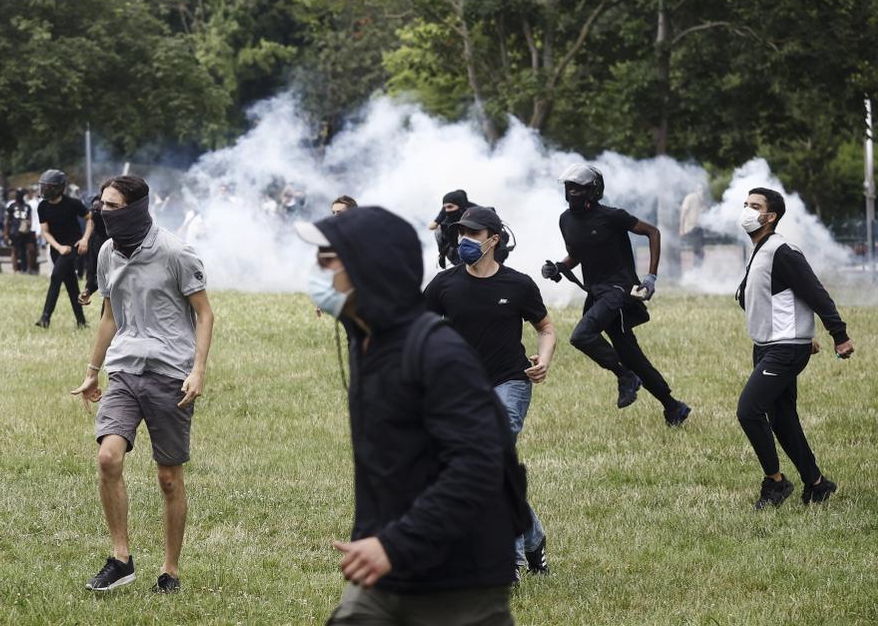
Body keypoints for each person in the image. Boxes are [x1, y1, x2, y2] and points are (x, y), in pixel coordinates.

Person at [296, 206, 518, 626]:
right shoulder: (367, 341)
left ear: (368, 269)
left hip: (457, 575)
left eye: (327, 261)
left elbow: (478, 467)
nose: (316, 272)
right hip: (388, 565)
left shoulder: (437, 353)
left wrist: (394, 544)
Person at [72, 175, 214, 595]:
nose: (103, 212)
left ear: (136, 208)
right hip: (125, 372)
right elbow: (110, 316)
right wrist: (92, 369)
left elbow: (205, 315)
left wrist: (198, 370)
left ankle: (169, 571)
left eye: (112, 206)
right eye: (102, 205)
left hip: (171, 373)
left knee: (169, 477)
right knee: (108, 458)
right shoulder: (106, 253)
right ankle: (121, 559)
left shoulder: (176, 252)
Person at [424, 205, 553, 578]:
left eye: (474, 234)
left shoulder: (518, 284)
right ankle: (533, 539)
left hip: (510, 382)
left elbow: (545, 328)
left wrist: (543, 359)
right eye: (462, 233)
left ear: (494, 240)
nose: (464, 240)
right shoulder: (444, 284)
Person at [542, 163, 691, 426]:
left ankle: (624, 377)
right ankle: (673, 407)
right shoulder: (565, 220)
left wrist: (651, 277)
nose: (572, 191)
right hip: (598, 294)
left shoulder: (612, 216)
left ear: (592, 191)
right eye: (569, 187)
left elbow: (652, 232)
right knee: (632, 356)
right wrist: (559, 267)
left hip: (619, 290)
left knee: (581, 336)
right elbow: (576, 254)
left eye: (578, 188)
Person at [735, 188, 855, 509]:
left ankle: (776, 483)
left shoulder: (782, 251)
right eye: (745, 204)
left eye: (754, 206)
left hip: (784, 349)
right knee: (782, 417)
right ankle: (818, 484)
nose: (746, 210)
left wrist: (838, 334)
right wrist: (805, 332)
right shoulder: (760, 250)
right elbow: (760, 297)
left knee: (748, 411)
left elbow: (815, 292)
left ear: (770, 216)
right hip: (769, 346)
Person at [34, 169, 92, 329]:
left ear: (59, 188)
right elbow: (45, 232)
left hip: (73, 248)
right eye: (43, 187)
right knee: (71, 284)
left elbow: (90, 219)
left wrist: (85, 240)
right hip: (57, 249)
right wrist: (58, 247)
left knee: (55, 277)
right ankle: (81, 321)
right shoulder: (42, 207)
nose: (45, 190)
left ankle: (45, 318)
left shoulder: (73, 204)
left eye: (49, 187)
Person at [428, 189, 476, 268]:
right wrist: (437, 222)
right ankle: (442, 255)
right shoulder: (446, 215)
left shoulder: (474, 212)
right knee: (438, 230)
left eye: (450, 207)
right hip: (454, 251)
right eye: (445, 208)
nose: (447, 210)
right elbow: (433, 225)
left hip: (475, 253)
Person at [5, 188, 36, 274]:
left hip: (25, 231)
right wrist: (6, 234)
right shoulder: (11, 206)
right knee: (14, 250)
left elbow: (29, 219)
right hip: (15, 231)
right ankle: (15, 271)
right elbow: (7, 221)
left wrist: (28, 226)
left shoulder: (27, 206)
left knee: (31, 249)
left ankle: (29, 269)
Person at [679, 185, 707, 271]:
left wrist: (702, 201)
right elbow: (683, 213)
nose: (702, 191)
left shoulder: (700, 200)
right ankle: (695, 272)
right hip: (692, 228)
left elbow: (705, 211)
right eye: (700, 189)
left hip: (699, 228)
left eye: (702, 189)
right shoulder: (689, 197)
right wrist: (681, 229)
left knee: (700, 252)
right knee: (698, 252)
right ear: (696, 189)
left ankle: (697, 271)